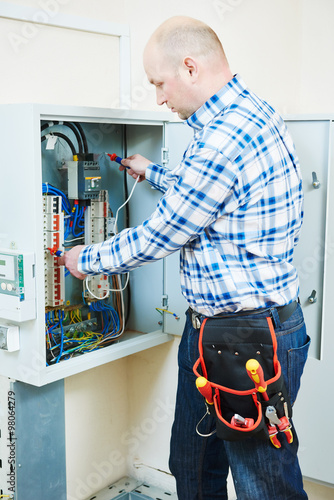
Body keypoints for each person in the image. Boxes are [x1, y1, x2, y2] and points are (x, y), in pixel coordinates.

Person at [59, 16, 310, 500]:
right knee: (193, 463)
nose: (157, 98)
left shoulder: (221, 138)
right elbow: (211, 197)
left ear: (190, 67)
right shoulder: (249, 114)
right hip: (221, 334)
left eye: (159, 83)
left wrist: (83, 260)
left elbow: (162, 234)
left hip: (247, 340)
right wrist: (152, 172)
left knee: (264, 483)